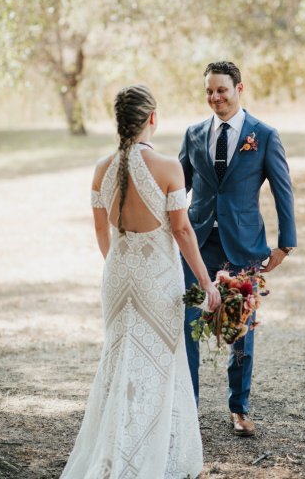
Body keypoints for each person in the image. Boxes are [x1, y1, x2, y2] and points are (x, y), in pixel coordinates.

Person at [60, 84, 220, 479]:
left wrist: (120, 266)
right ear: (152, 118)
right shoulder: (168, 167)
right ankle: (155, 456)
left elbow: (102, 232)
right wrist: (206, 283)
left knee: (119, 363)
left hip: (116, 278)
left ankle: (116, 453)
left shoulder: (101, 167)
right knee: (159, 364)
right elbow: (182, 232)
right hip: (158, 281)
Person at [179, 61, 297, 437]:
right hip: (197, 245)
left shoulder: (263, 134)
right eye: (209, 92)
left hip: (243, 247)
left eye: (222, 90)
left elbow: (283, 191)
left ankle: (239, 409)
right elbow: (177, 188)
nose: (215, 98)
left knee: (241, 329)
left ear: (239, 89)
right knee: (189, 324)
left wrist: (285, 244)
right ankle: (188, 409)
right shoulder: (194, 134)